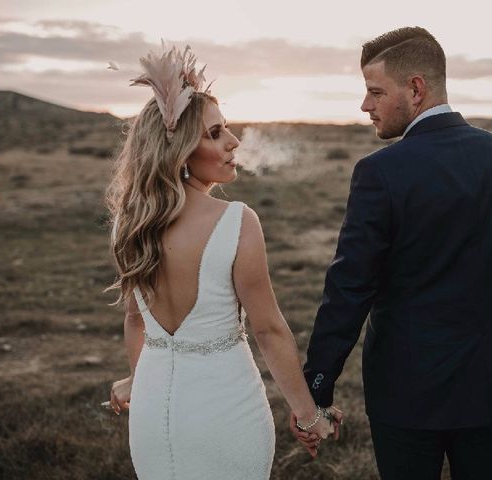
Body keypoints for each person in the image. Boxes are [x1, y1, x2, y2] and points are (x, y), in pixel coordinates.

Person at [292, 27, 492, 479]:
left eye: (375, 92)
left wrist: (317, 388)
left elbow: (348, 290)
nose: (365, 106)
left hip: (407, 394)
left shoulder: (380, 172)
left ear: (415, 88)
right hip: (491, 384)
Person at [105, 44, 340, 480]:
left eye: (226, 129)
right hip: (227, 414)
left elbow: (137, 322)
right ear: (179, 151)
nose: (233, 142)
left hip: (155, 416)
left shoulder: (128, 224)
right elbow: (269, 330)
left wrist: (138, 380)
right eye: (214, 134)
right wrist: (309, 416)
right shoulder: (237, 221)